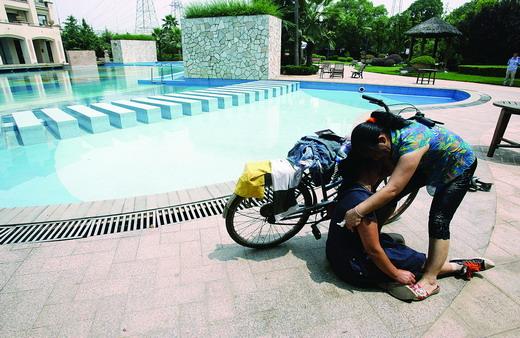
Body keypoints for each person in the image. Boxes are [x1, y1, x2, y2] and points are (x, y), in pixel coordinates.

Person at [342, 112, 482, 300]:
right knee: (387, 199)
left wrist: (357, 211)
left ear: (382, 140)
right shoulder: (386, 134)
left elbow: (392, 188)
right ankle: (375, 241)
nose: (375, 159)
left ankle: (431, 280)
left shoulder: (412, 143)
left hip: (458, 164)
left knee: (439, 219)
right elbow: (388, 186)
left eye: (374, 154)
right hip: (430, 162)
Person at [327, 153, 494, 300]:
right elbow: (373, 250)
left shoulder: (349, 187)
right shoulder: (363, 204)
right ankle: (458, 266)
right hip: (353, 269)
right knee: (408, 258)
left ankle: (388, 276)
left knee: (393, 242)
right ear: (374, 169)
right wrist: (396, 273)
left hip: (336, 256)